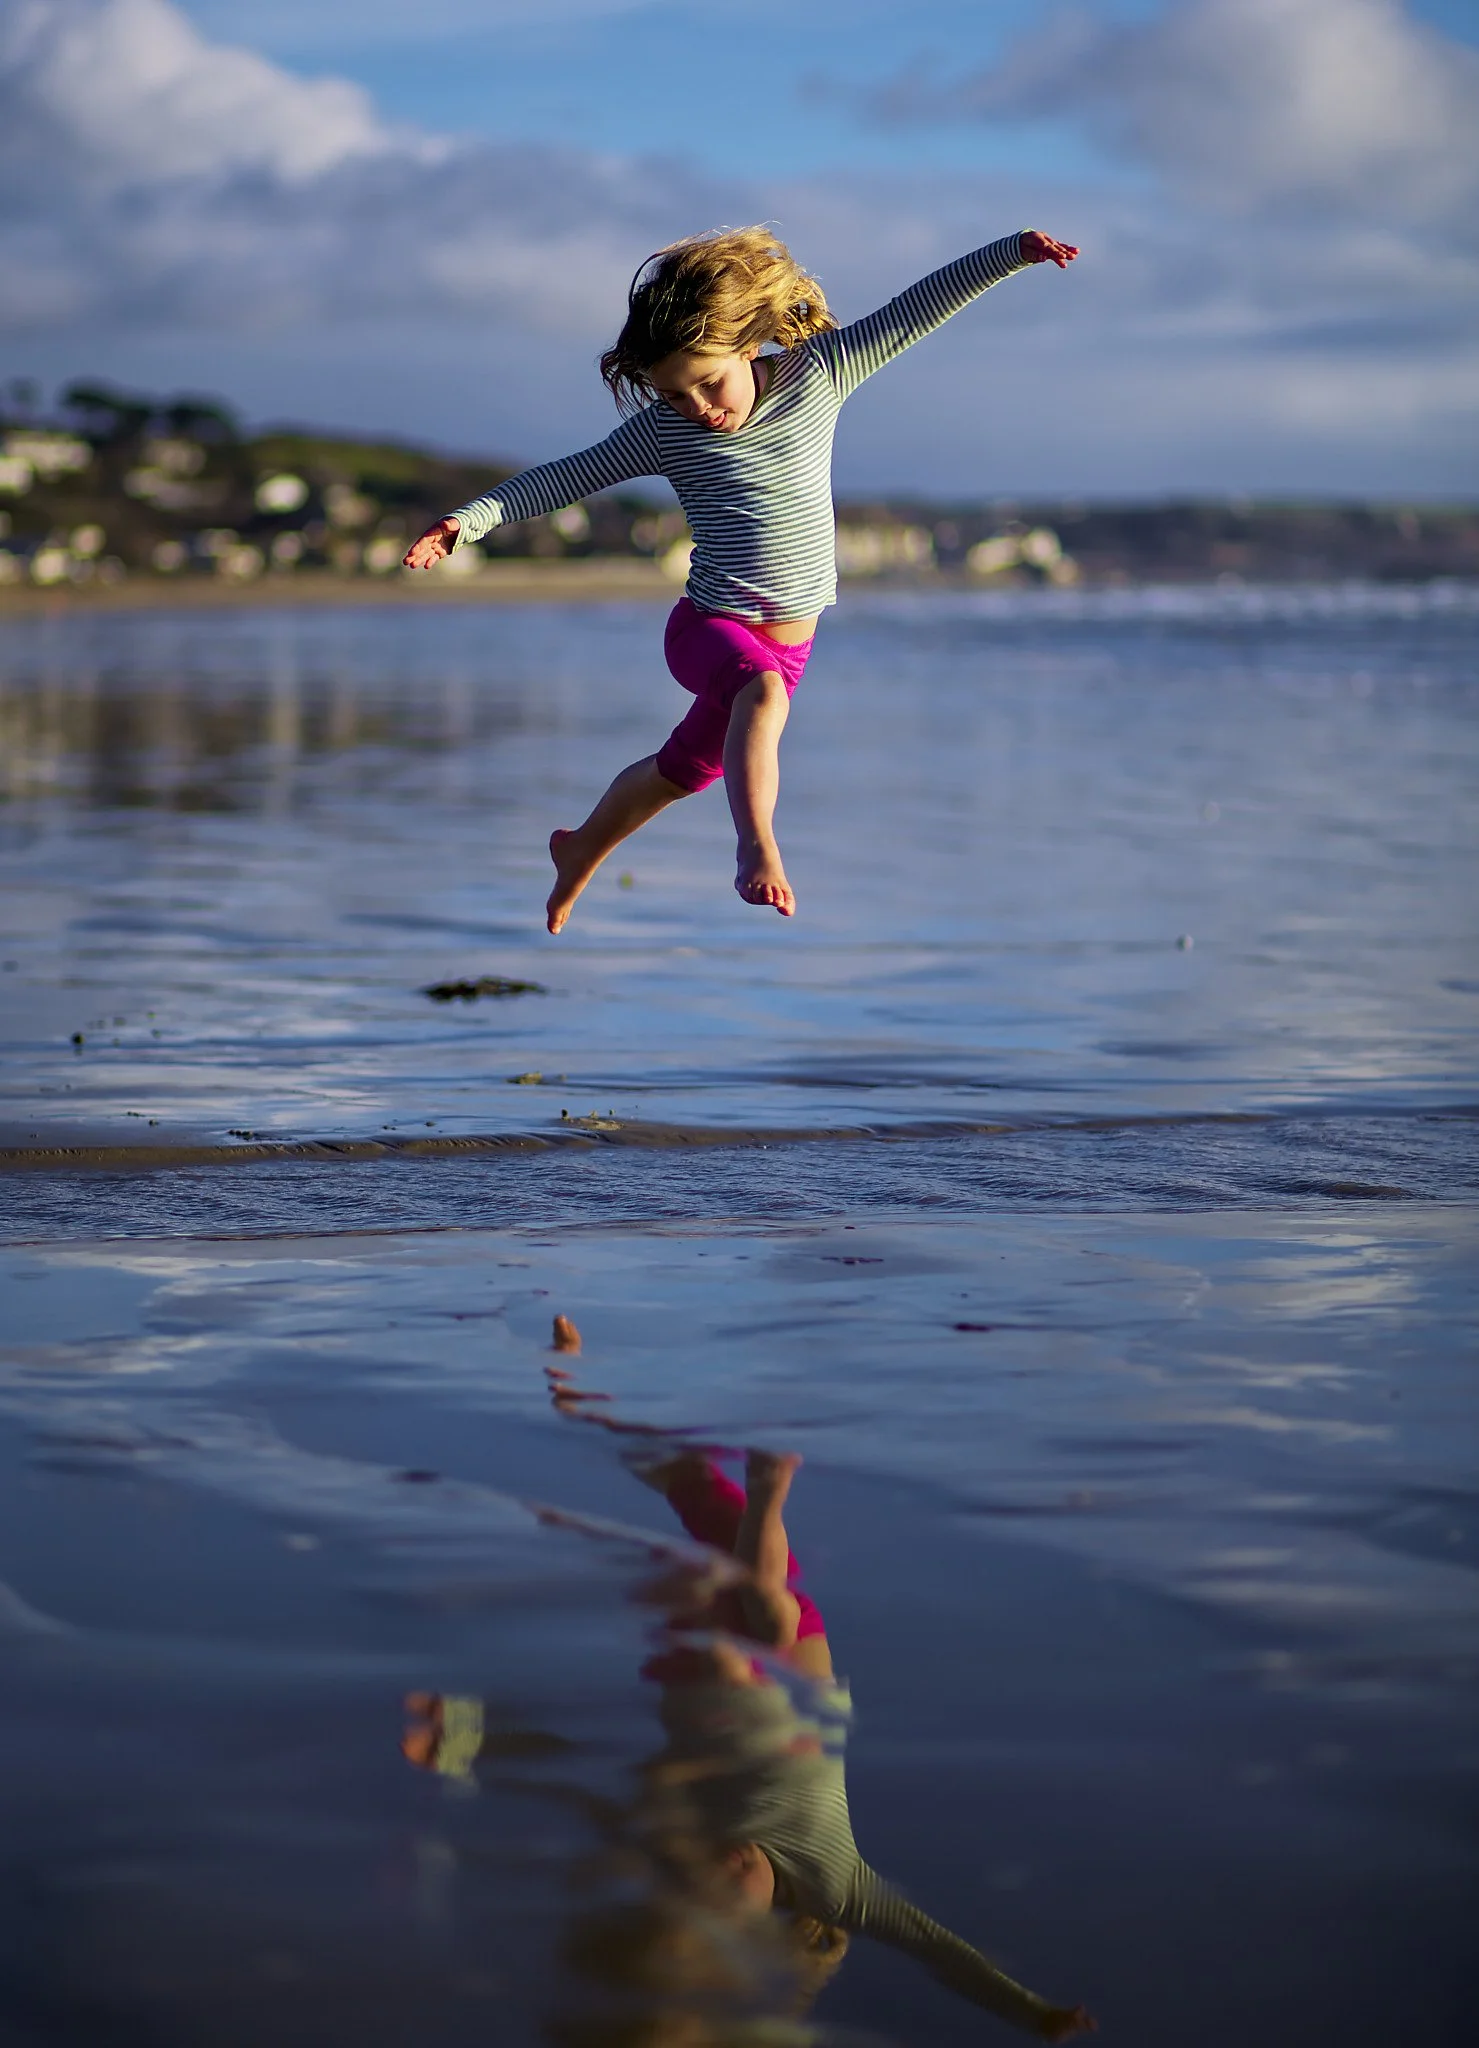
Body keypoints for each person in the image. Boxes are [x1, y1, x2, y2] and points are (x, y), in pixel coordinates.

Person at [403, 1315, 1096, 2043]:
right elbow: (940, 1953)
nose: (720, 1863)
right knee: (766, 1603)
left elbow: (567, 1768)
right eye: (733, 1884)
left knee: (687, 1480)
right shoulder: (842, 1891)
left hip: (704, 1670)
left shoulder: (680, 1848)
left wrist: (459, 1735)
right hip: (791, 1656)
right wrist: (1031, 2012)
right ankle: (764, 1483)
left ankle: (573, 1391)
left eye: (700, 1876)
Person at [403, 225, 1078, 933]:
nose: (697, 406)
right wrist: (464, 522)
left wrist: (1010, 252)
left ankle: (578, 849)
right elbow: (563, 477)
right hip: (707, 627)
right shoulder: (662, 433)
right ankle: (756, 851)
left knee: (682, 772)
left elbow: (915, 308)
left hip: (788, 648)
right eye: (673, 395)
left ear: (748, 342)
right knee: (757, 697)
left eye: (706, 382)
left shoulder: (818, 375)